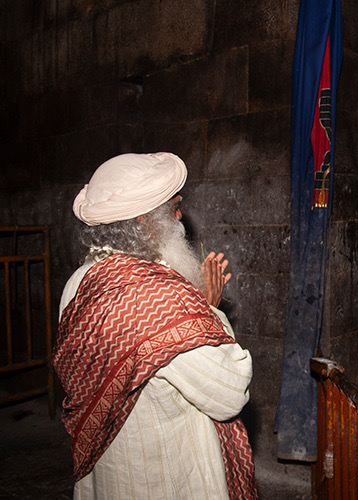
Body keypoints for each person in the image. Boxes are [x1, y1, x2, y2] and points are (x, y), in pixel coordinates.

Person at [53, 152, 258, 499]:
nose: (180, 217)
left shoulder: (80, 281)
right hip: (163, 476)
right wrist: (209, 311)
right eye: (174, 207)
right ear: (146, 222)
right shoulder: (157, 297)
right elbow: (230, 392)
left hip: (111, 473)